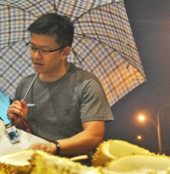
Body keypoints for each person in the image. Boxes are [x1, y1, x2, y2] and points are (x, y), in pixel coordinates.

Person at [6, 13, 113, 161]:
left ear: (65, 52)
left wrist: (54, 147)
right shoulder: (25, 85)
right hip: (33, 169)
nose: (36, 56)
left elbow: (94, 136)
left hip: (74, 171)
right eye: (33, 48)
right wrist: (16, 124)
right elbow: (14, 139)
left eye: (44, 50)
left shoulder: (86, 84)